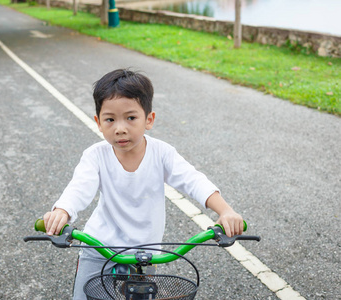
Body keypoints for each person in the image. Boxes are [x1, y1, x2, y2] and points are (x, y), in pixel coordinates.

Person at [43, 68, 244, 299]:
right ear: (98, 122)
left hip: (144, 255)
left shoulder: (162, 153)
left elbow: (193, 180)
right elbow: (79, 187)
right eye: (110, 119)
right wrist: (63, 210)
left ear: (149, 119)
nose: (120, 128)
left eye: (131, 118)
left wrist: (225, 211)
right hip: (99, 247)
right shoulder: (95, 156)